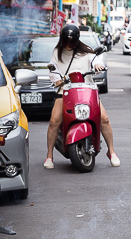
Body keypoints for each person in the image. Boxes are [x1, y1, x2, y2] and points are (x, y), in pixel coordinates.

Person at [44, 23, 120, 169]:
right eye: (66, 40)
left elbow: (95, 60)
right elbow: (52, 69)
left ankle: (111, 151)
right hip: (64, 91)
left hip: (86, 90)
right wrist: (57, 79)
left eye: (71, 41)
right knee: (54, 121)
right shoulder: (56, 53)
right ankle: (49, 156)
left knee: (104, 118)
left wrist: (98, 66)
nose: (68, 44)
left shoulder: (86, 52)